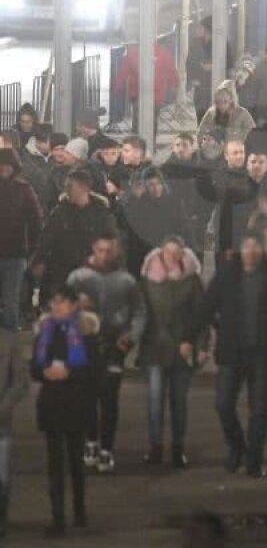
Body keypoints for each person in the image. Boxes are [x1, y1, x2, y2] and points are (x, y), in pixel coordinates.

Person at [183, 234, 267, 479]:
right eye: (247, 246)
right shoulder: (227, 275)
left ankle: (254, 460)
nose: (251, 251)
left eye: (256, 246)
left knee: (259, 409)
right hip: (232, 352)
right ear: (241, 249)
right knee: (223, 404)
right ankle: (238, 447)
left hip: (264, 352)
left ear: (262, 250)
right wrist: (189, 337)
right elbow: (206, 307)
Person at [67, 233, 144, 475]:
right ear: (94, 249)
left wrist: (130, 336)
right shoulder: (78, 277)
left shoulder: (126, 281)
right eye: (100, 250)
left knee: (109, 398)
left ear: (116, 251)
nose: (104, 255)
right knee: (88, 397)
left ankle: (106, 448)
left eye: (109, 250)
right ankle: (91, 442)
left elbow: (140, 312)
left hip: (114, 347)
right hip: (85, 345)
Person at [33, 286, 100, 537]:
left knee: (75, 461)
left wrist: (70, 373)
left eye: (62, 302)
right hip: (51, 404)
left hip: (76, 403)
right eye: (54, 301)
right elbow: (33, 368)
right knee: (55, 465)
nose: (56, 306)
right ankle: (58, 517)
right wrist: (44, 372)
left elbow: (95, 371)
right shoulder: (44, 332)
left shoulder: (86, 333)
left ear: (73, 305)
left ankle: (79, 510)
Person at [138, 236, 205, 469]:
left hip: (182, 348)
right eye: (168, 253)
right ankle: (155, 446)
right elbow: (141, 312)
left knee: (179, 400)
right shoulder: (148, 279)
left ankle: (178, 448)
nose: (171, 258)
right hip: (155, 347)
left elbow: (200, 315)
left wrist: (201, 345)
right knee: (155, 400)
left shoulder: (191, 280)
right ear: (161, 252)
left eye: (176, 254)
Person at [31, 168, 117, 300]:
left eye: (70, 186)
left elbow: (111, 239)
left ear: (84, 188)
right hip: (62, 271)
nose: (66, 190)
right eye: (66, 186)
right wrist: (39, 260)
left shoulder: (100, 213)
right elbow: (46, 238)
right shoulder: (60, 212)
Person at [0, 147, 42, 331]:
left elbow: (36, 221)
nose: (3, 169)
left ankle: (10, 340)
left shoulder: (23, 189)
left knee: (11, 298)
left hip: (15, 252)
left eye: (7, 165)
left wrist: (31, 248)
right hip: (15, 251)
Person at [0, 321, 25, 539]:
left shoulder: (9, 342)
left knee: (2, 478)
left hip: (1, 423)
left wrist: (3, 409)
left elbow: (20, 382)